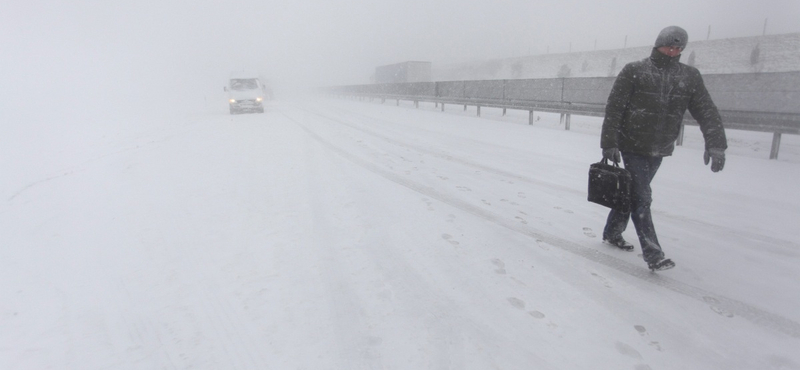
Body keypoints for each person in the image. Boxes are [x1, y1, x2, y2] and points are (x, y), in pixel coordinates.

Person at [599, 26, 728, 271]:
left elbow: (707, 111)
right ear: (658, 44)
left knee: (633, 193)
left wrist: (716, 145)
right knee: (642, 196)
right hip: (632, 144)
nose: (673, 51)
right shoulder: (635, 71)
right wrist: (609, 143)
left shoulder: (689, 76)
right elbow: (614, 108)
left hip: (660, 147)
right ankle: (653, 253)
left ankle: (612, 232)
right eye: (670, 45)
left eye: (679, 48)